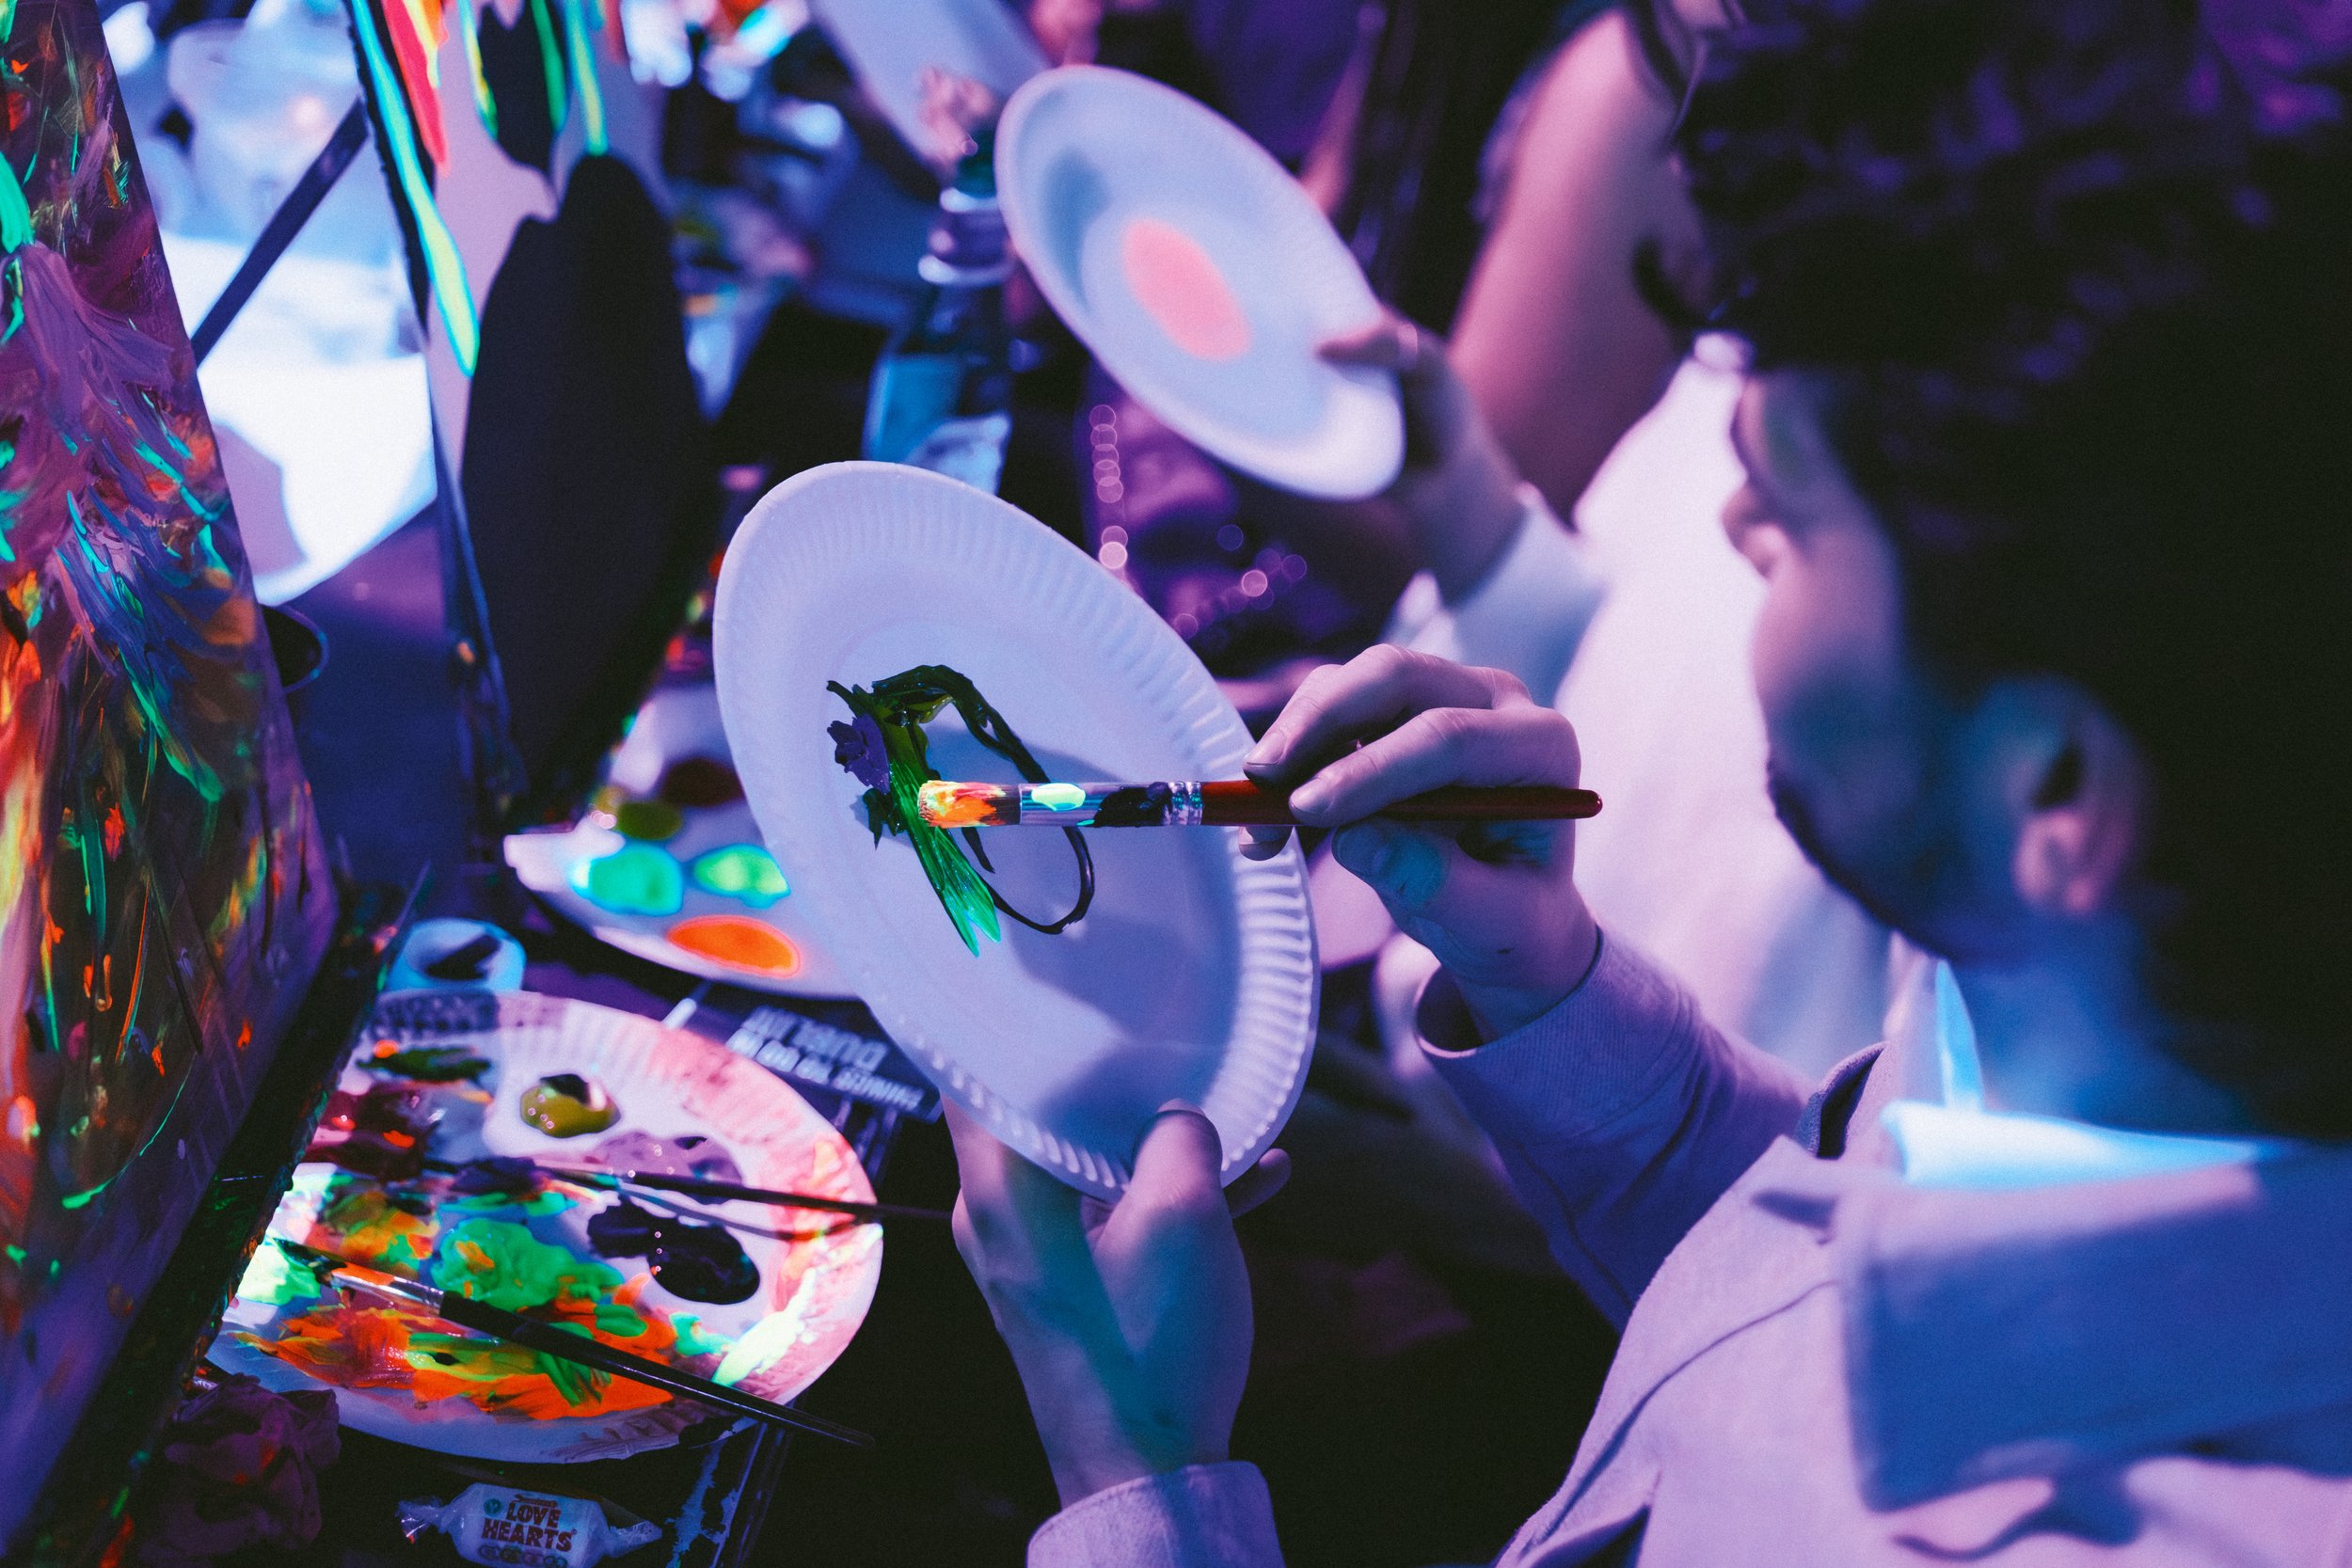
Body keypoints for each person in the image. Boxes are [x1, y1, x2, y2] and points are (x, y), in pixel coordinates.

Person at [945, 0, 2352, 1560]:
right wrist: (1557, 997)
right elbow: (1796, 1273)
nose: (1733, 525)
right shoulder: (2053, 1017)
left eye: (1792, 512)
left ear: (2060, 793)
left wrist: (1145, 1478)